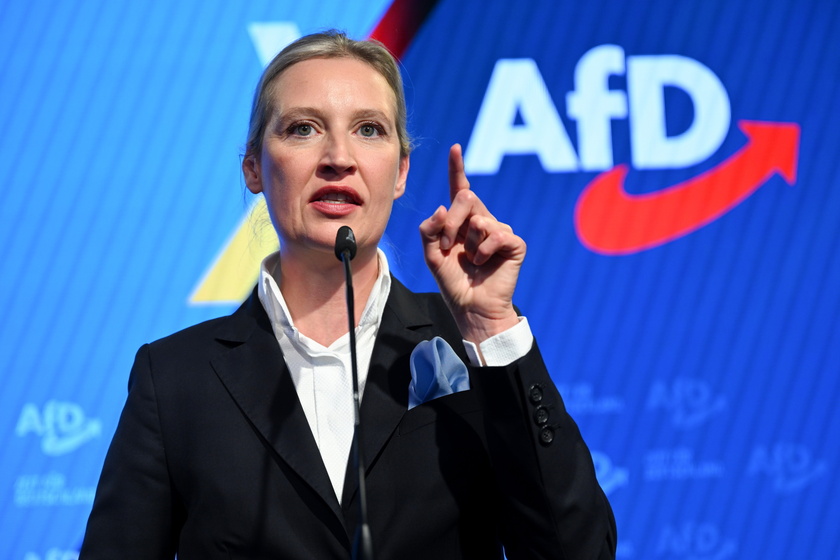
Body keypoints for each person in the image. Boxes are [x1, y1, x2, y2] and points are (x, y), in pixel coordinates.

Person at [79, 30, 616, 559]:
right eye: (304, 128)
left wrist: (492, 327)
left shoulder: (471, 345)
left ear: (401, 170)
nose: (339, 156)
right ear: (254, 169)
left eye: (369, 129)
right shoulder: (174, 378)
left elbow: (578, 550)